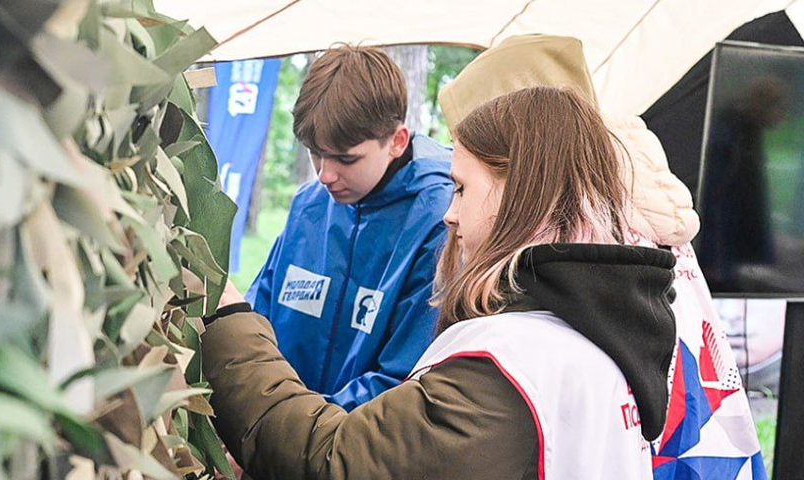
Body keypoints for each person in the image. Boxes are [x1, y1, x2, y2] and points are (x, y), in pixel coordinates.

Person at [202, 86, 675, 480]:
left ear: (523, 194)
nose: (449, 213)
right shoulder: (596, 332)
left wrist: (227, 323)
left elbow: (333, 460)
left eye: (463, 188)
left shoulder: (510, 367)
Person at [439, 34, 767, 478]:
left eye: (466, 181)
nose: (454, 213)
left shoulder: (580, 233)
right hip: (712, 451)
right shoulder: (637, 201)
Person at [243, 45, 453, 410]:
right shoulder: (309, 205)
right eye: (315, 153)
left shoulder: (439, 220)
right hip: (274, 435)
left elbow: (403, 380)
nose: (325, 175)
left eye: (345, 158)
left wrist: (290, 430)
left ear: (396, 141)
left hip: (355, 452)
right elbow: (255, 324)